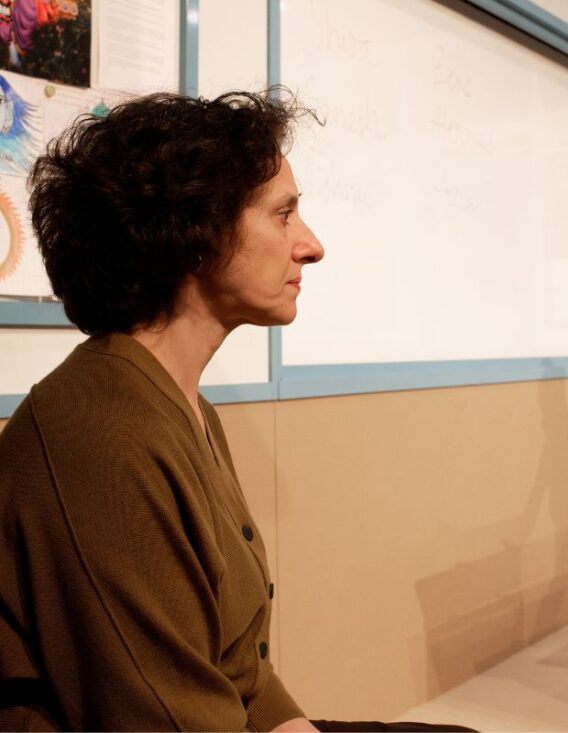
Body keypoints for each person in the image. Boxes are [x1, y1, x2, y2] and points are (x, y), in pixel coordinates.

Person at [0, 90, 472, 732]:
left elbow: (238, 662)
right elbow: (162, 715)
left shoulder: (182, 405)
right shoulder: (98, 438)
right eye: (284, 215)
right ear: (195, 236)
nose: (312, 246)